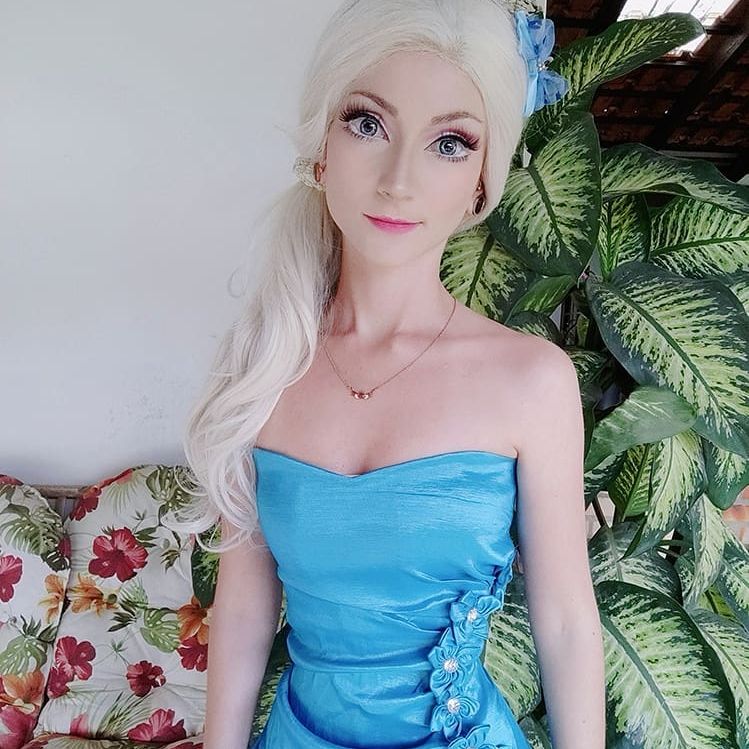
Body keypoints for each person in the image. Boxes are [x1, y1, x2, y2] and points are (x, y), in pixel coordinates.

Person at [172, 0, 606, 747]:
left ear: (481, 182)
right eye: (367, 123)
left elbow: (565, 620)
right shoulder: (263, 363)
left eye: (449, 142)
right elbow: (243, 608)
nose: (399, 180)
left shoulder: (530, 380)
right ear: (322, 148)